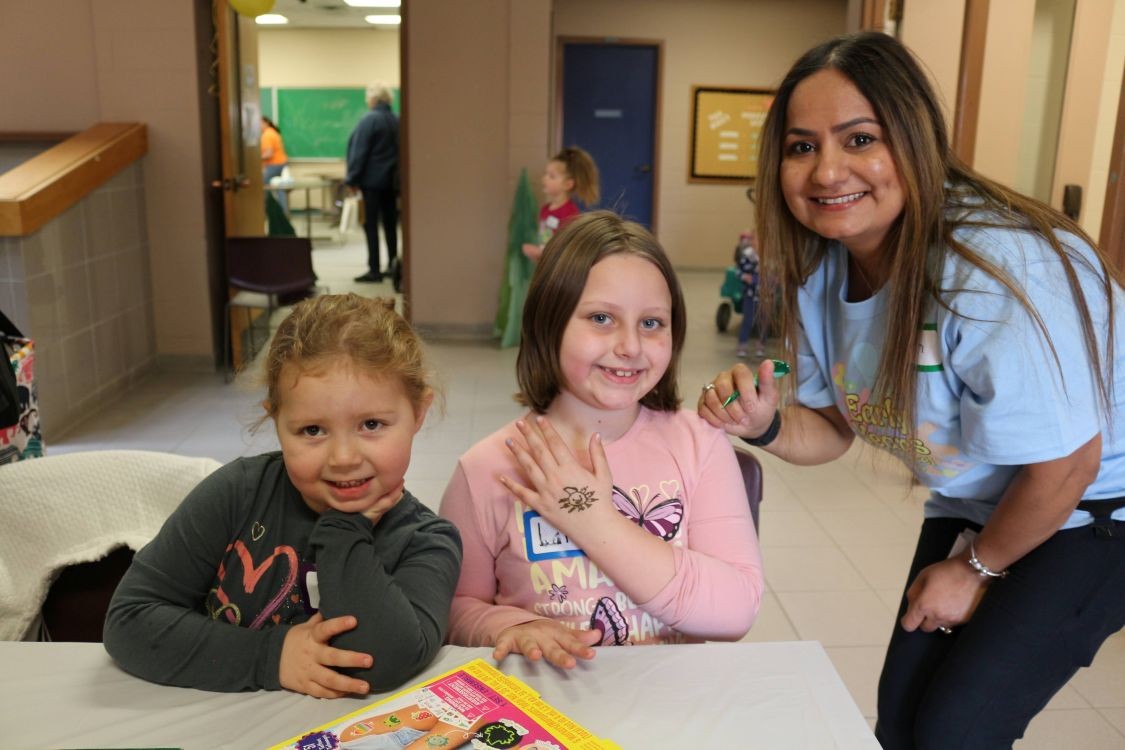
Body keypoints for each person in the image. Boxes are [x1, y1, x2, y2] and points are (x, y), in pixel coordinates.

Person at [698, 31, 1125, 749]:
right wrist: (763, 424)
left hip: (1094, 506)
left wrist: (974, 568)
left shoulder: (989, 266)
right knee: (901, 724)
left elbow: (1066, 466)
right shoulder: (823, 270)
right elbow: (832, 429)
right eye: (800, 147)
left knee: (956, 731)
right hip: (979, 499)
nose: (826, 170)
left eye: (858, 138)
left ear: (914, 139)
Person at [441, 210, 763, 669]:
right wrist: (511, 627)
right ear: (548, 323)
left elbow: (736, 610)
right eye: (600, 318)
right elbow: (454, 609)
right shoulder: (485, 468)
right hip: (548, 709)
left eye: (652, 323)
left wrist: (595, 521)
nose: (630, 346)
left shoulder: (699, 443)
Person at [104, 294, 462, 697]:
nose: (343, 458)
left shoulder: (428, 542)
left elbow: (381, 663)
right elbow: (129, 621)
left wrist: (345, 528)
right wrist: (269, 657)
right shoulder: (236, 494)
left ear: (419, 413)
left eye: (372, 424)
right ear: (276, 420)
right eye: (312, 430)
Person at [346, 84, 400, 283]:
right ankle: (393, 266)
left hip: (371, 183)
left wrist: (352, 179)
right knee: (390, 224)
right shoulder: (397, 120)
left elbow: (359, 152)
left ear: (375, 100)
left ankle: (374, 269)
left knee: (370, 225)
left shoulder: (369, 120)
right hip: (392, 182)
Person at [521, 146, 600, 261]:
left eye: (551, 176)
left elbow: (566, 253)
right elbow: (545, 240)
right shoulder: (545, 209)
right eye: (545, 174)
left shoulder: (570, 214)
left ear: (568, 184)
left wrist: (541, 254)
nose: (544, 179)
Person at [734, 230, 768, 359]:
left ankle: (761, 344)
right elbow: (738, 271)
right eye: (755, 240)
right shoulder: (747, 256)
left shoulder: (770, 257)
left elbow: (776, 274)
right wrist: (744, 276)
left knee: (764, 321)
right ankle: (742, 344)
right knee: (747, 320)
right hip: (750, 295)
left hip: (766, 297)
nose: (758, 243)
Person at [260, 115, 289, 215]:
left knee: (262, 186)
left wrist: (255, 159)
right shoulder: (273, 132)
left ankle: (267, 212)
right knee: (280, 188)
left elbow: (269, 153)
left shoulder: (267, 135)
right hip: (281, 163)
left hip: (274, 164)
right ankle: (283, 212)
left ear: (265, 123)